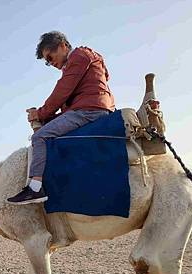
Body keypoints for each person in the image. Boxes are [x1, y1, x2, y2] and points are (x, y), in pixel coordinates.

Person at [7, 31, 116, 205]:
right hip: (90, 108)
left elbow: (62, 91)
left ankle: (35, 188)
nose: (50, 63)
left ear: (63, 45)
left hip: (89, 110)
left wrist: (40, 113)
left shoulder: (79, 56)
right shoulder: (88, 59)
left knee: (39, 136)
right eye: (47, 62)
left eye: (50, 57)